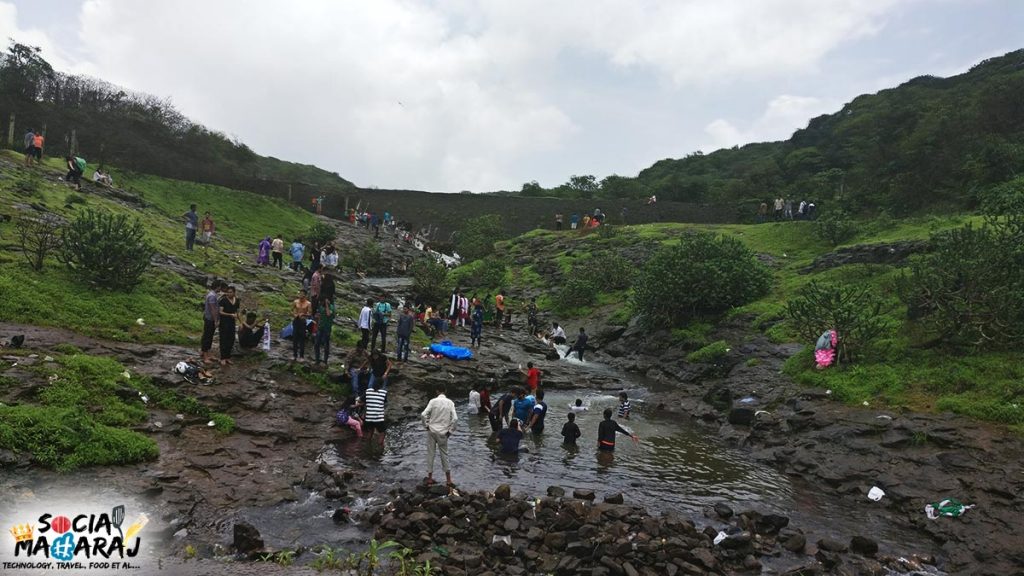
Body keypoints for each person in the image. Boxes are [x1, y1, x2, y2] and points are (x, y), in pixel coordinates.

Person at [421, 385, 457, 487]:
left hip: (432, 431)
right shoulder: (450, 403)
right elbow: (455, 419)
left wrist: (426, 426)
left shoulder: (433, 401)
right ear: (445, 391)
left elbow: (423, 415)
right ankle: (448, 479)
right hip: (443, 433)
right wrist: (450, 431)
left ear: (437, 391)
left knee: (430, 454)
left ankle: (430, 478)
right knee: (444, 455)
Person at [200, 280, 223, 364]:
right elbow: (213, 309)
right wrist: (216, 320)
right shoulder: (212, 296)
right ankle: (205, 356)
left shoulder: (211, 294)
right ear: (217, 286)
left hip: (207, 318)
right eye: (220, 286)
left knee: (206, 335)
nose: (220, 288)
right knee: (208, 337)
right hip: (210, 319)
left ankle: (204, 352)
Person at [218, 285, 240, 366]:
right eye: (228, 292)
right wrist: (229, 314)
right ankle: (222, 357)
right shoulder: (223, 300)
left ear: (234, 293)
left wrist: (239, 320)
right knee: (223, 339)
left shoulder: (237, 300)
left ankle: (228, 357)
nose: (229, 294)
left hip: (232, 322)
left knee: (231, 339)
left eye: (230, 292)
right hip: (224, 322)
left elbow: (237, 311)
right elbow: (220, 312)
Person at [363, 376, 388, 444]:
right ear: (381, 385)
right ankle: (380, 446)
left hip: (368, 418)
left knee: (370, 431)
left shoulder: (367, 391)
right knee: (382, 432)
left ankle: (367, 444)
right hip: (378, 418)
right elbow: (384, 402)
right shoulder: (384, 393)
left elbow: (361, 401)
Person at [291, 289, 312, 361]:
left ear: (305, 295)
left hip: (303, 321)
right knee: (295, 338)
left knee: (302, 339)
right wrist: (295, 314)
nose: (301, 295)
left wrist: (304, 314)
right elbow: (292, 310)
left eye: (302, 294)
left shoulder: (308, 303)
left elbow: (310, 313)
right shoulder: (295, 301)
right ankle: (294, 355)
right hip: (296, 320)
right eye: (300, 293)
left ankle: (301, 356)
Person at [314, 296, 335, 366]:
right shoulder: (321, 306)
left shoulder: (332, 307)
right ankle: (317, 359)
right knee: (317, 343)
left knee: (326, 344)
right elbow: (318, 316)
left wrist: (326, 304)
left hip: (327, 328)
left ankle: (325, 361)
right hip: (320, 327)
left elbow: (328, 314)